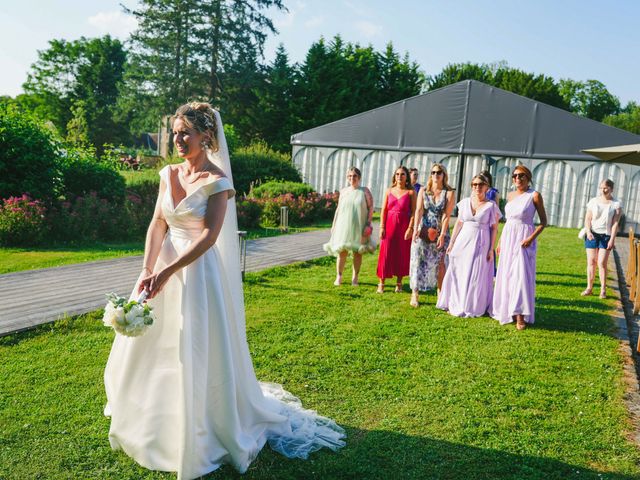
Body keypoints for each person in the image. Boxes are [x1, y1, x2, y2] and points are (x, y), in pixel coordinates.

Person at [104, 102, 345, 480]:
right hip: (161, 265)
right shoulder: (167, 173)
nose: (179, 139)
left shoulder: (218, 181)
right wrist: (148, 268)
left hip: (196, 272)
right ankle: (148, 415)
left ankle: (199, 421)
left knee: (195, 345)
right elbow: (157, 223)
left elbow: (208, 236)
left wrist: (168, 270)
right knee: (152, 343)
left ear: (206, 136)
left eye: (186, 132)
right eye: (176, 132)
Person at [436, 173, 501, 317]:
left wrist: (491, 249)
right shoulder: (464, 202)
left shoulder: (491, 206)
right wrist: (452, 243)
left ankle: (472, 304)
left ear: (486, 187)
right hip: (462, 242)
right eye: (475, 184)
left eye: (481, 184)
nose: (477, 187)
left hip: (481, 242)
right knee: (458, 270)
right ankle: (453, 301)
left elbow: (494, 229)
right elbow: (459, 223)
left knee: (476, 274)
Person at [492, 165, 547, 330]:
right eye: (515, 176)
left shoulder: (534, 196)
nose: (518, 178)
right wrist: (501, 240)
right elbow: (508, 221)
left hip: (524, 238)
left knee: (521, 276)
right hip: (509, 237)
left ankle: (520, 316)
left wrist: (530, 239)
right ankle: (507, 310)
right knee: (507, 274)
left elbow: (543, 222)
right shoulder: (510, 196)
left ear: (528, 177)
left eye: (521, 175)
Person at [408, 163, 455, 307]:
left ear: (444, 175)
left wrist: (441, 234)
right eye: (433, 172)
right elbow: (419, 211)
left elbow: (447, 215)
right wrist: (416, 228)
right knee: (418, 260)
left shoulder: (449, 192)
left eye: (439, 172)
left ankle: (440, 293)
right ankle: (415, 294)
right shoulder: (423, 190)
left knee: (441, 263)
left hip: (441, 231)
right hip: (423, 230)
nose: (436, 175)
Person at [323, 166, 375, 286]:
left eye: (355, 176)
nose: (352, 178)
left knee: (358, 251)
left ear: (359, 177)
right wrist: (334, 224)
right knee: (342, 251)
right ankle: (339, 276)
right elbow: (338, 209)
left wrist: (368, 223)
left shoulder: (365, 191)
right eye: (350, 176)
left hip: (359, 225)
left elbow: (371, 207)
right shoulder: (344, 191)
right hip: (343, 225)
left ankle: (355, 278)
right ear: (347, 178)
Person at [376, 166, 416, 293]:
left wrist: (410, 228)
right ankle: (381, 282)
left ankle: (399, 283)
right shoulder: (389, 191)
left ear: (406, 177)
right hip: (389, 225)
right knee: (385, 252)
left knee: (401, 253)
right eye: (397, 174)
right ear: (394, 176)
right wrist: (382, 226)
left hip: (404, 226)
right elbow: (384, 210)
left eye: (402, 174)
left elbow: (415, 212)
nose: (400, 176)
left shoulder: (411, 192)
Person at [581, 179, 622, 298]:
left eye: (606, 188)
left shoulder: (616, 204)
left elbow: (615, 223)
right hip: (592, 234)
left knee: (601, 263)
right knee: (591, 262)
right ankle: (589, 288)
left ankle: (603, 290)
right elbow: (588, 219)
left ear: (611, 189)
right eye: (601, 188)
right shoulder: (593, 201)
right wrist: (588, 232)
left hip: (606, 236)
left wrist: (612, 239)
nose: (603, 190)